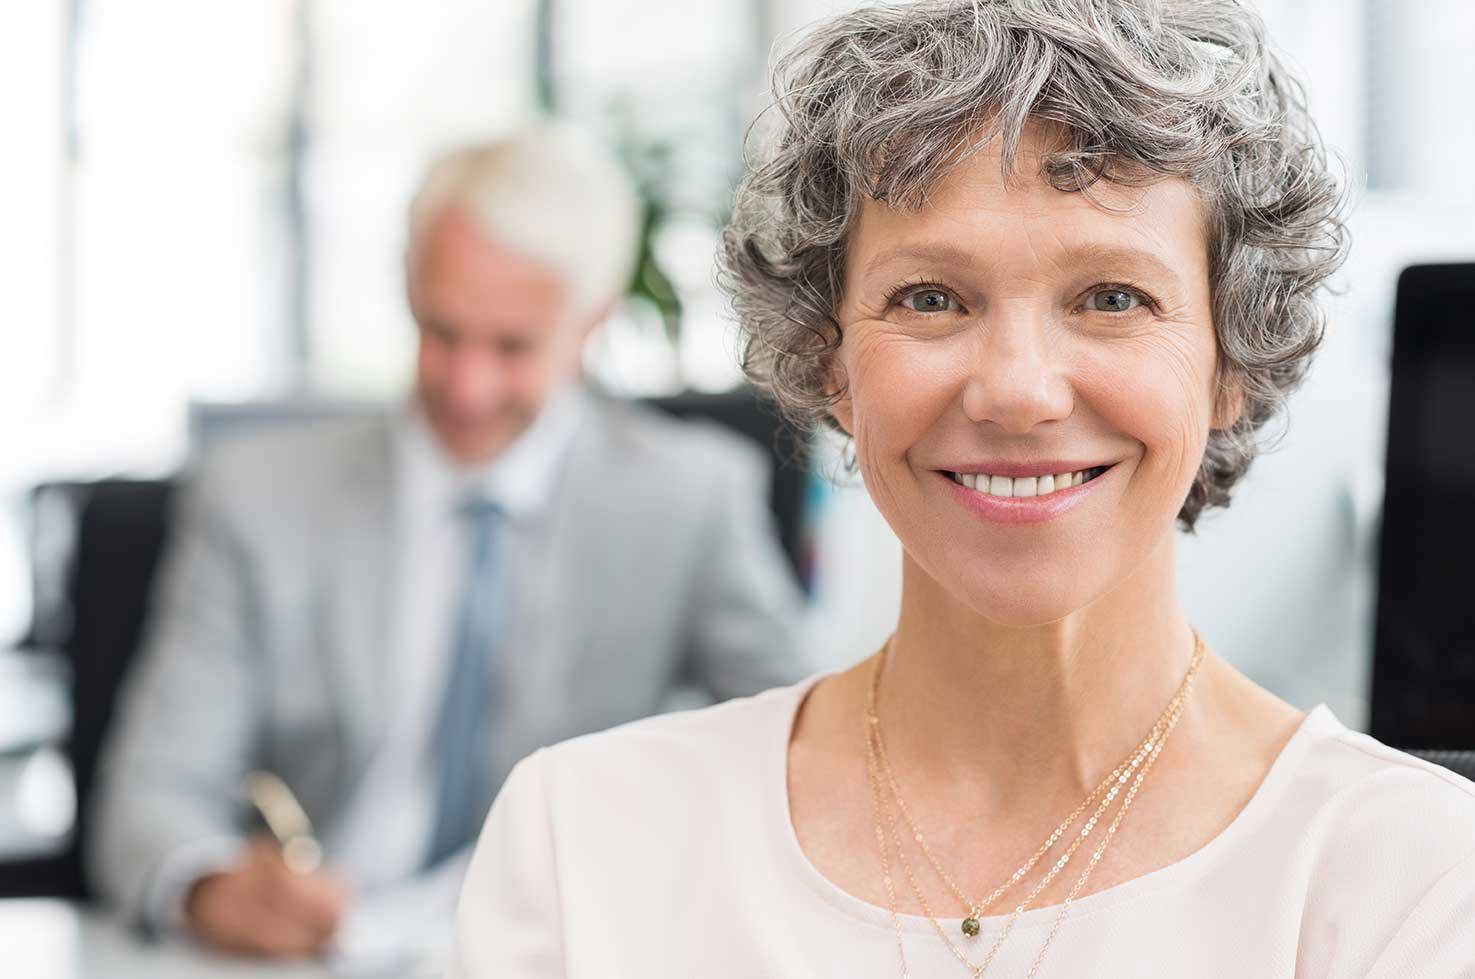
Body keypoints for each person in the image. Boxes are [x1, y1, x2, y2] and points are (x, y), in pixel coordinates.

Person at [449, 3, 1475, 976]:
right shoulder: (580, 842)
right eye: (930, 298)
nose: (1017, 391)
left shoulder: (1407, 875)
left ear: (1228, 361)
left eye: (1111, 297)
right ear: (829, 360)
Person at [87, 124, 807, 960]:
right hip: (315, 953)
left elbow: (807, 747)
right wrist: (211, 885)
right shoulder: (257, 498)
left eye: (511, 347)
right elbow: (148, 798)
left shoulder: (689, 498)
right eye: (441, 332)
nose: (467, 388)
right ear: (406, 291)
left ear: (590, 325)